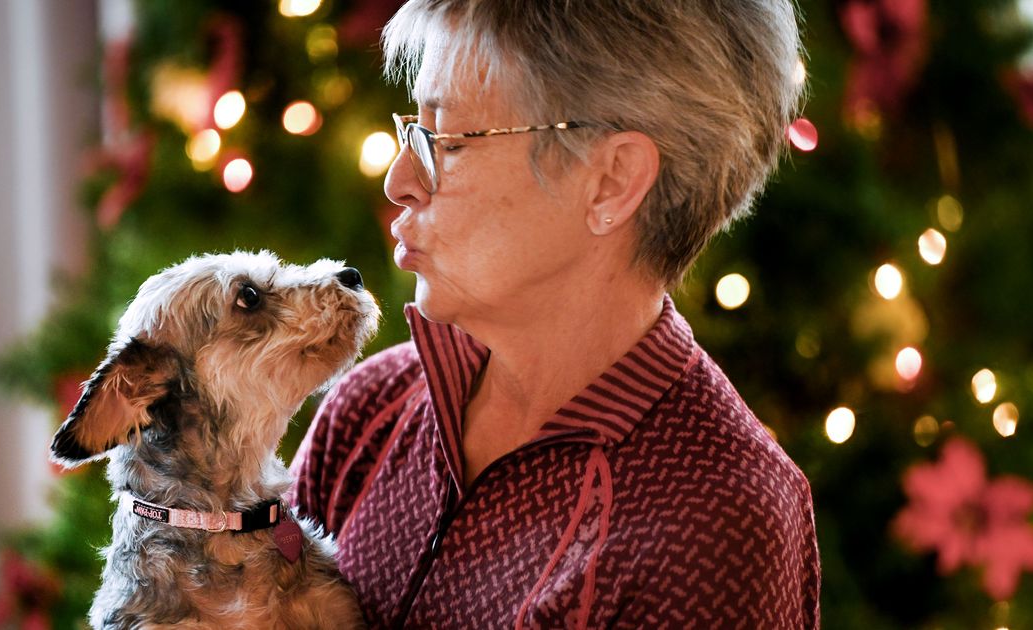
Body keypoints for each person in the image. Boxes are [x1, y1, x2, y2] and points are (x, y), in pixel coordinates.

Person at [289, 1, 820, 627]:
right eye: (415, 128)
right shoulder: (371, 407)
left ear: (612, 182)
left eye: (449, 140)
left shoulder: (715, 527)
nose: (400, 179)